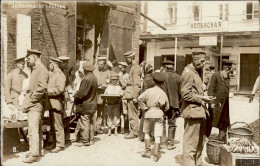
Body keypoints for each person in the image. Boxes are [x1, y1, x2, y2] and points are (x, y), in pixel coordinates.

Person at [180, 51, 214, 166]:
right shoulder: (188, 72)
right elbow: (185, 94)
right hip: (192, 112)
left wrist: (204, 98)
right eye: (202, 61)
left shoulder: (196, 72)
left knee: (200, 140)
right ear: (195, 60)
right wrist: (202, 98)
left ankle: (197, 162)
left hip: (199, 112)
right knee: (191, 143)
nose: (204, 64)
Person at [20, 49, 49, 163]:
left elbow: (42, 88)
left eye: (29, 58)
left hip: (35, 104)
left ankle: (34, 154)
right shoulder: (36, 69)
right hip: (35, 104)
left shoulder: (42, 70)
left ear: (34, 57)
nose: (27, 61)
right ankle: (37, 150)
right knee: (36, 129)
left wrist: (31, 99)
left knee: (33, 130)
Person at [138, 72, 169, 162]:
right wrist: (161, 109)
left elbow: (139, 99)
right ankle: (155, 155)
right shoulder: (163, 93)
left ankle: (147, 151)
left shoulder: (148, 91)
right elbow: (167, 107)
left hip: (148, 113)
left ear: (154, 81)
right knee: (158, 134)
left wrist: (144, 107)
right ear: (162, 83)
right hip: (159, 113)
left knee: (146, 132)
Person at [3, 56, 28, 154]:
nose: (23, 65)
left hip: (22, 100)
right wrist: (9, 101)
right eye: (22, 64)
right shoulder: (11, 74)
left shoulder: (25, 75)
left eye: (24, 64)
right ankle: (13, 145)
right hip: (14, 100)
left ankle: (19, 142)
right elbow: (6, 89)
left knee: (22, 121)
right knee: (12, 123)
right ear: (17, 64)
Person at [207, 59, 233, 142]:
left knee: (224, 122)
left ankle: (222, 138)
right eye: (227, 68)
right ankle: (205, 137)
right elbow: (210, 90)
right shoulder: (215, 75)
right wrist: (211, 103)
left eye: (229, 68)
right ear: (223, 68)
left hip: (225, 103)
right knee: (210, 121)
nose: (228, 70)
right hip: (215, 103)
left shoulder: (227, 76)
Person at [74, 62, 98, 146]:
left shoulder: (86, 79)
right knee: (91, 122)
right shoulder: (94, 78)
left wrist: (75, 95)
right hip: (93, 103)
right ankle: (91, 139)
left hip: (86, 104)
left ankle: (85, 141)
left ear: (85, 70)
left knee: (84, 122)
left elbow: (82, 94)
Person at [47, 57, 66, 153]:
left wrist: (48, 91)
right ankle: (55, 143)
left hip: (56, 103)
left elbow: (60, 89)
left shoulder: (60, 75)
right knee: (53, 125)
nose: (48, 66)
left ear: (53, 64)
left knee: (58, 125)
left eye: (49, 64)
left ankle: (60, 145)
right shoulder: (53, 74)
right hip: (51, 103)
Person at [160, 60, 181, 150]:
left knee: (162, 122)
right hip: (174, 104)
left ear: (165, 67)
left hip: (162, 104)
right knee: (172, 123)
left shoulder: (161, 77)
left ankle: (162, 142)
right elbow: (181, 93)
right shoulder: (178, 77)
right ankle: (170, 143)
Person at [123, 51, 141, 139]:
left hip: (132, 95)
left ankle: (134, 132)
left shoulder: (135, 68)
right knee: (131, 114)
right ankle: (134, 130)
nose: (126, 61)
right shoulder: (132, 68)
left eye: (127, 59)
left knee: (132, 114)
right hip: (129, 94)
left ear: (132, 58)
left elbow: (137, 84)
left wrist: (135, 96)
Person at [57, 56, 74, 145]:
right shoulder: (55, 72)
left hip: (64, 97)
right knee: (58, 118)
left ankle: (66, 136)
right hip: (57, 97)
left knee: (66, 116)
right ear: (61, 63)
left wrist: (69, 88)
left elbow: (68, 82)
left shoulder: (65, 71)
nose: (67, 65)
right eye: (65, 63)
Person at [93, 57, 111, 134]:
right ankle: (92, 128)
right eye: (99, 64)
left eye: (101, 64)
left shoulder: (107, 72)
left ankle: (97, 127)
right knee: (93, 111)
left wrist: (104, 85)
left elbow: (110, 83)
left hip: (102, 94)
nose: (100, 66)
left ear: (104, 65)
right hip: (94, 93)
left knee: (100, 111)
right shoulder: (94, 71)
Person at [138, 61, 154, 142]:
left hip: (146, 99)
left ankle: (142, 135)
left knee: (144, 118)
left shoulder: (145, 79)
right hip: (153, 99)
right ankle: (151, 135)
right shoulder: (154, 78)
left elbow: (143, 91)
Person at [118, 62, 129, 134]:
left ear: (125, 68)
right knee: (118, 112)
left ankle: (126, 129)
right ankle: (118, 128)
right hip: (119, 96)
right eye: (119, 68)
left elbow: (124, 85)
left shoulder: (127, 76)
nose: (120, 70)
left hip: (125, 95)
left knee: (125, 113)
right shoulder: (119, 74)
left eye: (121, 68)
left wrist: (120, 77)